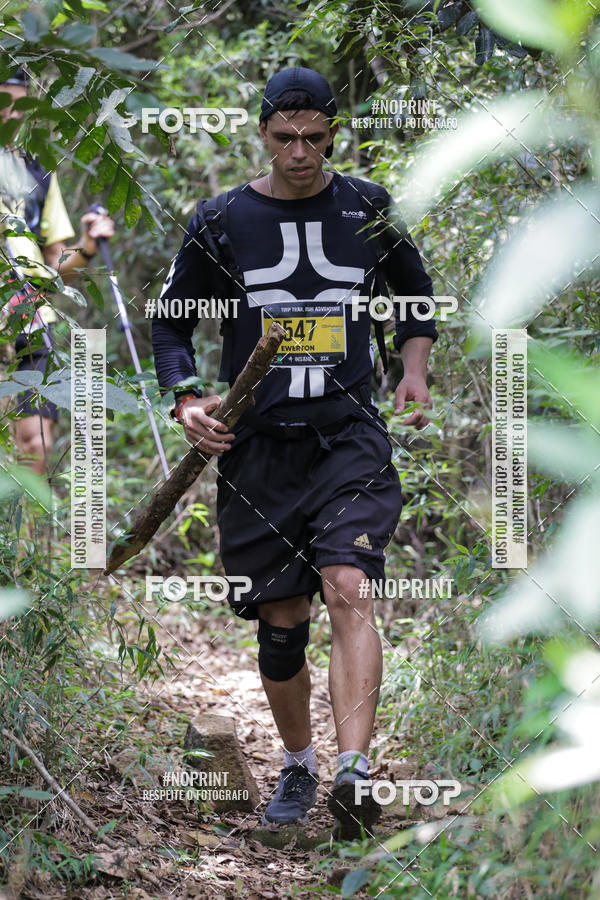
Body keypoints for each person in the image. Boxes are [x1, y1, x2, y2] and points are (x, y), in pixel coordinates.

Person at [152, 66, 438, 840]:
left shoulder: (370, 208)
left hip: (349, 435)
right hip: (258, 448)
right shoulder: (220, 219)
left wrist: (411, 372)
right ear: (262, 134)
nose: (301, 152)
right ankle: (300, 762)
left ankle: (354, 774)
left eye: (315, 138)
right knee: (282, 621)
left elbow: (415, 300)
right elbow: (171, 324)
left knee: (349, 585)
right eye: (286, 138)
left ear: (333, 134)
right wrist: (187, 400)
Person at [0, 65, 114, 475]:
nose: (6, 113)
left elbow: (56, 270)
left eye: (15, 104)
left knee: (37, 443)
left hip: (31, 322)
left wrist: (85, 246)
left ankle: (30, 535)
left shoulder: (36, 171)